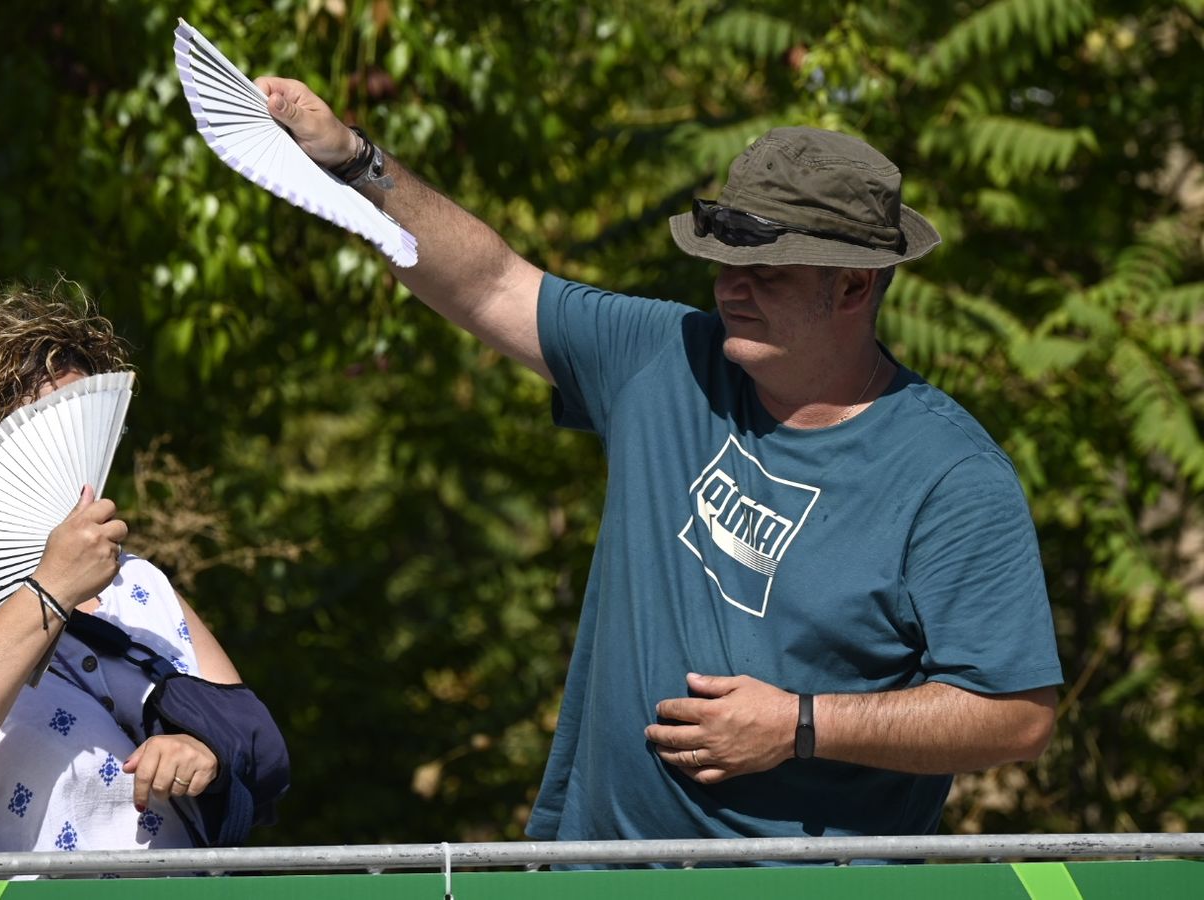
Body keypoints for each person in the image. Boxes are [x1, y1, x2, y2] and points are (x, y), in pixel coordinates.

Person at [253, 77, 1061, 850]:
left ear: (853, 286)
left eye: (764, 273)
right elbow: (490, 281)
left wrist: (800, 726)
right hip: (595, 871)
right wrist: (357, 161)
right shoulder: (664, 356)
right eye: (722, 263)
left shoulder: (951, 476)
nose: (729, 289)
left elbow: (1016, 716)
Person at [0, 285, 274, 856]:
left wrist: (207, 754)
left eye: (93, 430)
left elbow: (259, 742)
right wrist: (51, 590)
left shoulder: (140, 585)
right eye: (58, 430)